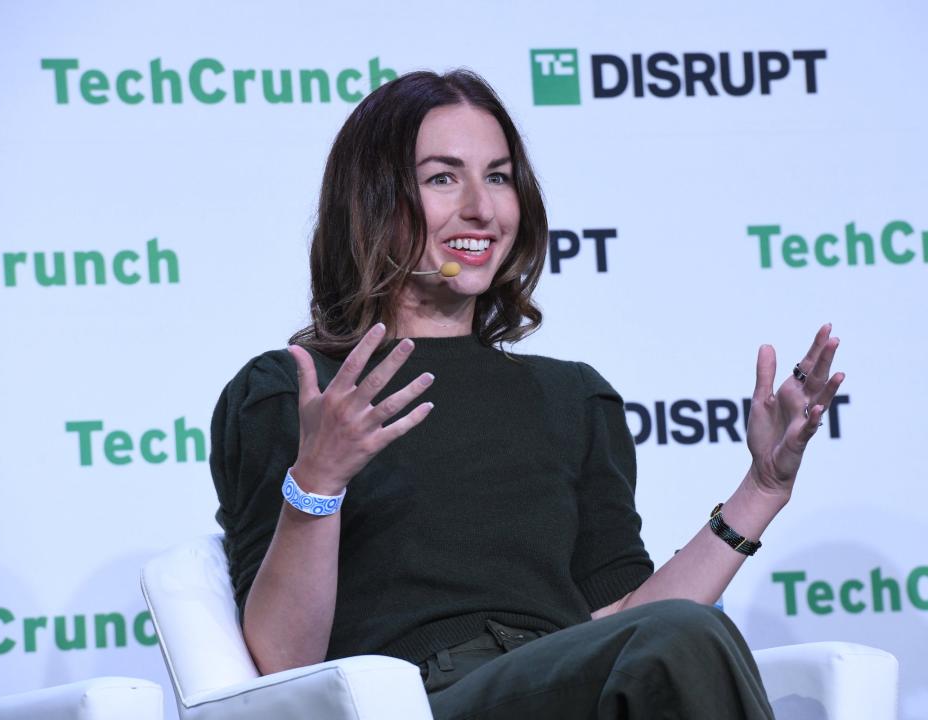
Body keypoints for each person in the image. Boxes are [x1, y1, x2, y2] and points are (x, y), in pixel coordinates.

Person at [210, 69, 843, 719]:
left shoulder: (574, 398)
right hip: (418, 700)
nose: (481, 209)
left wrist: (762, 487)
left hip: (570, 677)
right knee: (679, 639)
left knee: (681, 637)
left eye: (499, 176)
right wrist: (318, 477)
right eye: (442, 177)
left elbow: (626, 620)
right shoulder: (296, 390)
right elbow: (281, 669)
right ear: (373, 200)